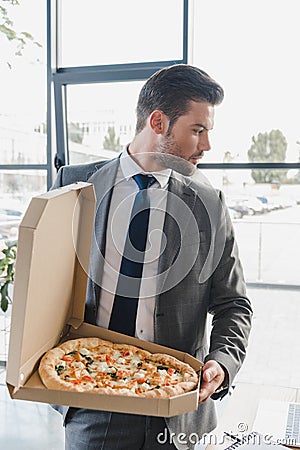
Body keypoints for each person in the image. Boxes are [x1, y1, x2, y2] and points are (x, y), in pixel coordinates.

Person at [51, 64, 252, 450]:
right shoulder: (72, 185)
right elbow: (43, 285)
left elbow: (234, 302)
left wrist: (222, 362)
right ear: (158, 122)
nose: (206, 145)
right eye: (197, 130)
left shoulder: (209, 203)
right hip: (91, 397)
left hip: (180, 406)